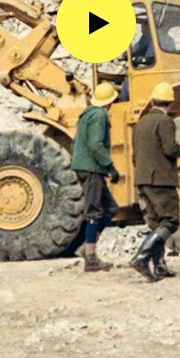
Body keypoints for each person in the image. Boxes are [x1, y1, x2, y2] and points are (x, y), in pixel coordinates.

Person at [129, 82, 180, 281]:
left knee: (156, 224)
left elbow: (135, 156)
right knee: (170, 221)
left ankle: (159, 266)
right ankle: (141, 258)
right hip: (160, 180)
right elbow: (170, 149)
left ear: (152, 101)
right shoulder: (166, 122)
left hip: (142, 179)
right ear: (170, 103)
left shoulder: (141, 123)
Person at [69, 82, 121, 272]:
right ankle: (91, 259)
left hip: (85, 167)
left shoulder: (86, 115)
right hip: (92, 169)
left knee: (111, 208)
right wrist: (110, 167)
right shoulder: (99, 115)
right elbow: (95, 144)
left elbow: (75, 143)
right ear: (110, 102)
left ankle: (86, 247)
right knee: (94, 211)